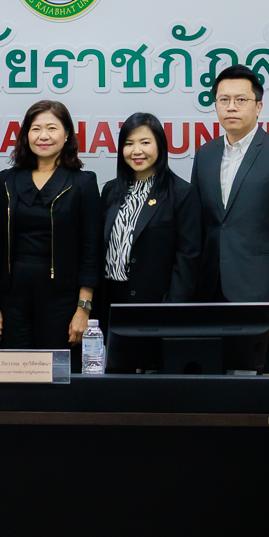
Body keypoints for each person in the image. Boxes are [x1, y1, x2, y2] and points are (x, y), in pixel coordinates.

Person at [193, 65, 269, 372]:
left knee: (260, 377)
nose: (231, 107)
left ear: (258, 106)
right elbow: (199, 225)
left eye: (241, 100)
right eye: (223, 100)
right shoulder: (205, 154)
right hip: (210, 290)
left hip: (260, 292)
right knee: (211, 376)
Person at [0, 99, 101, 360]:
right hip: (13, 299)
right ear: (26, 135)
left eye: (52, 128)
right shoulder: (7, 180)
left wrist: (83, 308)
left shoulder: (83, 183)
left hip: (63, 300)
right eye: (36, 129)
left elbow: (91, 249)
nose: (43, 136)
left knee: (57, 374)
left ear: (67, 134)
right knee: (16, 373)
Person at [95, 112, 202, 374]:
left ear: (160, 146)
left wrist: (172, 309)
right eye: (129, 143)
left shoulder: (181, 193)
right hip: (112, 302)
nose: (136, 151)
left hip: (156, 305)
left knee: (155, 383)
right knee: (116, 380)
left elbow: (188, 258)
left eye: (145, 142)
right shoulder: (111, 190)